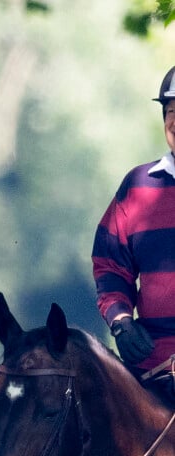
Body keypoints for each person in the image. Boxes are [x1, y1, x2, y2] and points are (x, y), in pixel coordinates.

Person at [92, 65, 175, 403]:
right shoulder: (137, 186)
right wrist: (121, 320)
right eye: (170, 111)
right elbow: (110, 266)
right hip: (152, 368)